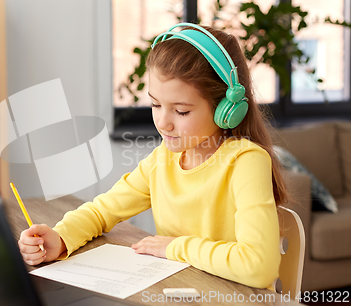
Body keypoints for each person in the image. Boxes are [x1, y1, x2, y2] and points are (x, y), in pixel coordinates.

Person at [18, 23, 289, 289]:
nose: (163, 123)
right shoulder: (163, 160)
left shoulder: (246, 162)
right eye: (155, 104)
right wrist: (61, 238)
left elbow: (258, 267)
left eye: (181, 111)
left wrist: (174, 246)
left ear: (226, 109)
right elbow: (102, 210)